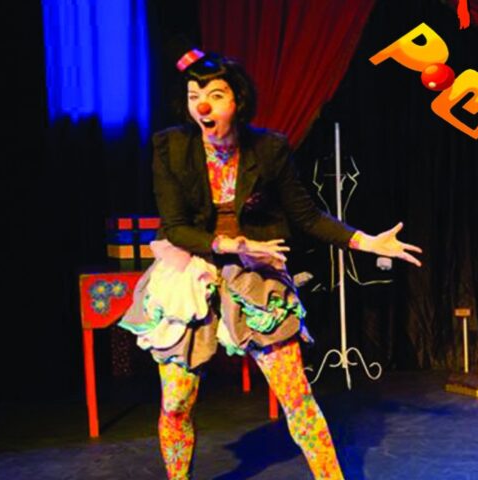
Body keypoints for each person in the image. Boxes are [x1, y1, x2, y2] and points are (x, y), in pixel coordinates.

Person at [119, 48, 423, 479]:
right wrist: (231, 244)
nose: (202, 107)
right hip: (190, 270)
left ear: (237, 101)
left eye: (215, 96)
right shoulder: (171, 147)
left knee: (297, 397)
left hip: (255, 276)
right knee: (176, 402)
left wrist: (365, 241)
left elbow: (308, 217)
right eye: (194, 97)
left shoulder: (269, 149)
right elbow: (175, 226)